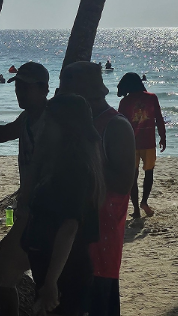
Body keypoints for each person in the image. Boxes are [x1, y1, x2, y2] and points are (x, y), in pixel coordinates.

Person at [59, 62, 135, 316]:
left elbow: (124, 183)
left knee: (99, 303)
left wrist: (88, 153)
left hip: (101, 239)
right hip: (70, 237)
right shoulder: (75, 125)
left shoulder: (116, 125)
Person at [0, 62, 50, 316]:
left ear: (43, 89)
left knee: (8, 274)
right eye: (17, 86)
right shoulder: (28, 117)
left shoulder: (52, 122)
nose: (18, 92)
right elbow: (7, 133)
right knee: (2, 276)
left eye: (24, 87)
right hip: (29, 208)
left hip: (46, 211)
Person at [22, 93, 105, 316]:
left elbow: (69, 227)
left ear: (65, 127)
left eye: (49, 122)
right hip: (51, 268)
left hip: (65, 273)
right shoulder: (59, 162)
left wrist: (51, 282)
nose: (43, 128)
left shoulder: (74, 168)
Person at [116, 73, 166, 220]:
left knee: (133, 176)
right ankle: (144, 202)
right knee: (149, 173)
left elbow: (120, 124)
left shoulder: (125, 102)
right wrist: (163, 137)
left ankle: (137, 209)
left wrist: (119, 142)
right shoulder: (151, 98)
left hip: (131, 144)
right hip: (149, 142)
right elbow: (159, 119)